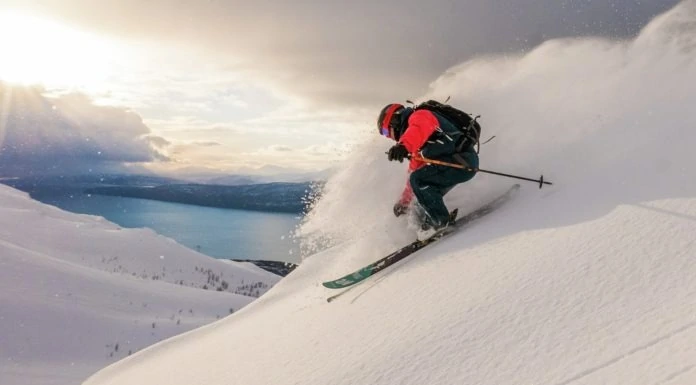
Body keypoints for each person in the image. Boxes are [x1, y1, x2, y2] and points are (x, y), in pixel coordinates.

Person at [377, 102, 479, 233]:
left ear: (394, 121)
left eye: (386, 131)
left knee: (419, 181)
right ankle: (427, 225)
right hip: (456, 165)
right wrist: (404, 202)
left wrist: (403, 146)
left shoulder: (420, 116)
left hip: (462, 161)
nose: (388, 137)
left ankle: (440, 222)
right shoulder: (417, 146)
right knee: (419, 198)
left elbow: (419, 128)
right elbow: (413, 172)